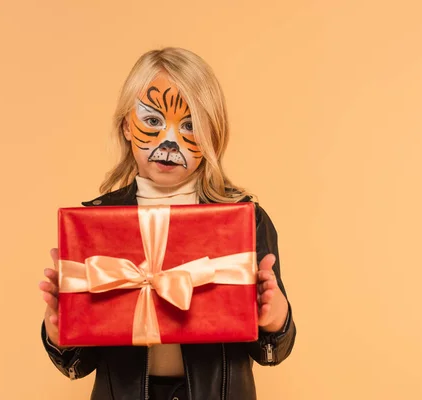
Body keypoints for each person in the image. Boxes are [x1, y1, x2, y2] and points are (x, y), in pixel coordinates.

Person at [38, 47, 296, 400]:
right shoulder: (96, 224)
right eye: (154, 121)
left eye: (190, 125)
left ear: (212, 135)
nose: (170, 141)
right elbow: (78, 363)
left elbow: (272, 351)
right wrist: (59, 327)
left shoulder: (245, 220)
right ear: (127, 126)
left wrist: (275, 318)